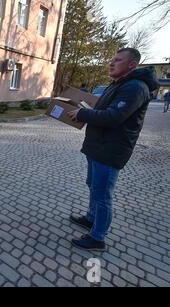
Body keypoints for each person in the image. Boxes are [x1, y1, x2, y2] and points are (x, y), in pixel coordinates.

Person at [67, 48, 159, 251]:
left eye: (117, 60)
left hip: (110, 150)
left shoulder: (135, 87)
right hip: (98, 146)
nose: (111, 63)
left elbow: (113, 117)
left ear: (131, 65)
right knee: (93, 185)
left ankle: (97, 237)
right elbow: (103, 110)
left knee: (102, 195)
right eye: (112, 59)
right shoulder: (120, 83)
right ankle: (91, 218)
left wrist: (83, 113)